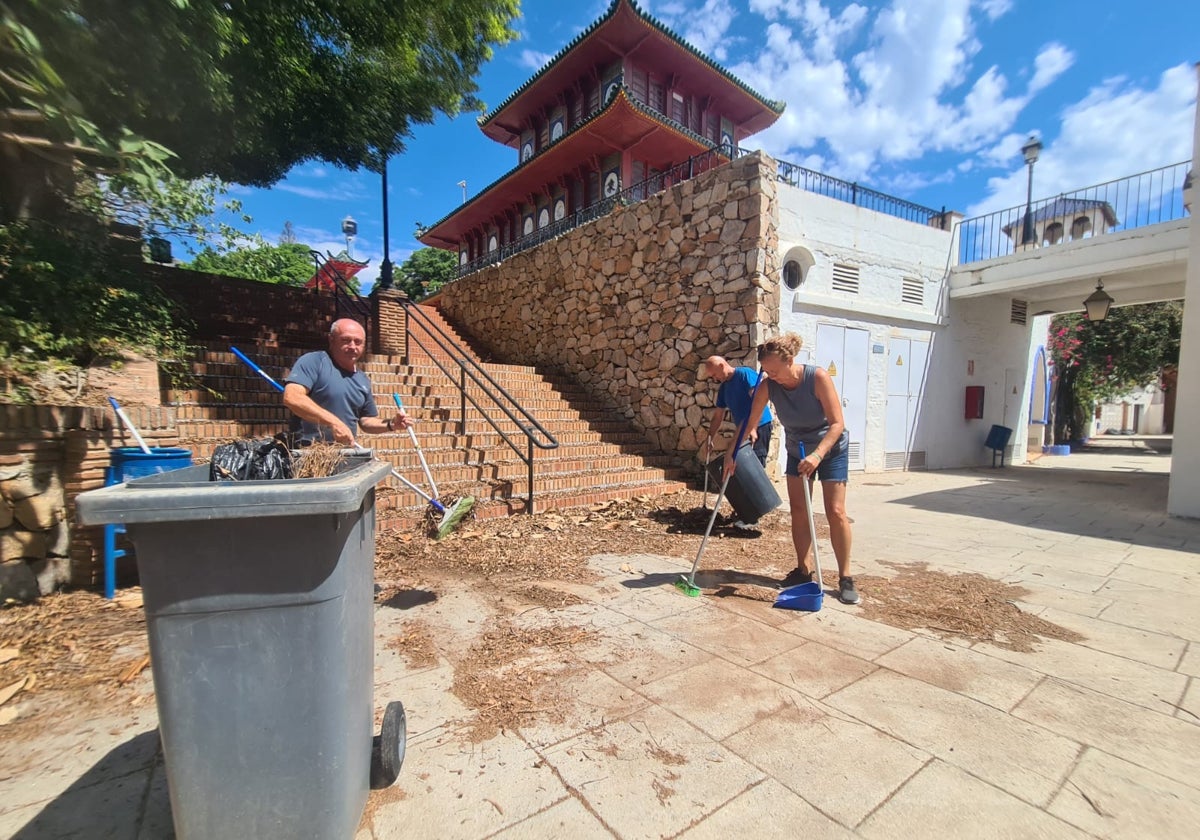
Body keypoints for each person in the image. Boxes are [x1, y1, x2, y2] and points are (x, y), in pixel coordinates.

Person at [725, 333, 859, 605]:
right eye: (767, 370)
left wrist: (818, 455)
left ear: (790, 360)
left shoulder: (817, 377)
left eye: (775, 369)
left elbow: (837, 424)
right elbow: (749, 421)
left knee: (836, 511)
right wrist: (731, 453)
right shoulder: (768, 386)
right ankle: (803, 570)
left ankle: (845, 577)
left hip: (829, 448)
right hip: (797, 449)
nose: (771, 375)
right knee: (799, 509)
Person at [283, 318, 413, 445]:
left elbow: (366, 421)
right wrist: (334, 422)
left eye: (358, 342)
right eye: (345, 340)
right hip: (308, 452)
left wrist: (391, 424)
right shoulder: (314, 362)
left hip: (346, 455)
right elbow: (292, 397)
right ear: (331, 340)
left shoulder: (362, 379)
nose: (352, 346)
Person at [703, 355, 774, 529]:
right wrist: (710, 437)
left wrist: (753, 427)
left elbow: (757, 400)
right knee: (739, 468)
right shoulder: (724, 389)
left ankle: (754, 515)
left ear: (721, 365)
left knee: (754, 466)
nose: (714, 378)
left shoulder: (745, 374)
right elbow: (718, 416)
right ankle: (745, 511)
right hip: (742, 429)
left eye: (714, 374)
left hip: (760, 425)